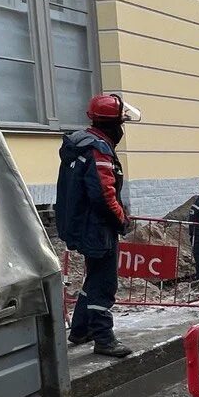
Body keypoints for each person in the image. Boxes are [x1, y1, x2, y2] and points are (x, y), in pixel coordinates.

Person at [56, 93, 140, 359]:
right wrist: (121, 219)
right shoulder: (99, 149)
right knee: (104, 283)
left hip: (84, 224)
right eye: (121, 123)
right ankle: (104, 338)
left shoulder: (82, 144)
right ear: (112, 124)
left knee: (92, 278)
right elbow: (104, 194)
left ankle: (80, 329)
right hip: (97, 227)